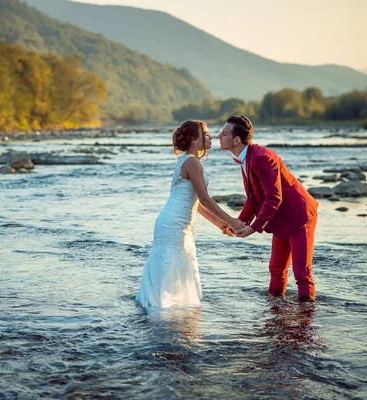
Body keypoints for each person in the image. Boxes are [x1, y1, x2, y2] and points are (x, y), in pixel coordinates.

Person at [136, 120, 245, 309]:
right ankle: (165, 318)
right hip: (173, 225)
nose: (211, 137)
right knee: (170, 275)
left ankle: (167, 316)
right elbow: (204, 200)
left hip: (175, 224)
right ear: (195, 139)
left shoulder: (189, 161)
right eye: (206, 134)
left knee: (173, 271)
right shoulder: (192, 163)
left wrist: (221, 225)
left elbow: (198, 205)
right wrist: (232, 221)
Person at [218, 116, 319, 302]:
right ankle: (275, 319)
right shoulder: (246, 157)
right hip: (281, 219)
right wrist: (239, 223)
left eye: (223, 133)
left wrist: (254, 227)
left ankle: (305, 326)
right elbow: (255, 197)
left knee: (301, 273)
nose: (219, 136)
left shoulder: (261, 158)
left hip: (300, 217)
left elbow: (274, 197)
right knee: (276, 269)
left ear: (236, 139)